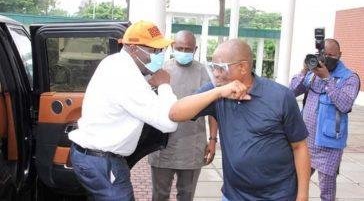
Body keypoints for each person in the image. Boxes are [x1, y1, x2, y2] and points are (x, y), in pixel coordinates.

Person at [169, 39, 311, 201]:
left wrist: (303, 195)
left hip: (279, 195)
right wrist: (217, 93)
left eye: (220, 68)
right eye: (213, 67)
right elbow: (175, 113)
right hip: (234, 195)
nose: (215, 73)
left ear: (242, 67)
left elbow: (300, 146)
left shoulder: (281, 97)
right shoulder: (218, 90)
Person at [68, 20, 178, 201]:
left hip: (92, 158)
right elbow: (168, 123)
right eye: (155, 50)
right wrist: (164, 84)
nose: (159, 56)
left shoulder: (114, 62)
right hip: (104, 163)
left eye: (161, 50)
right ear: (133, 48)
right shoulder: (126, 76)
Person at [148, 30, 218, 201]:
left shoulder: (204, 72)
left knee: (186, 195)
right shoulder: (160, 71)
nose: (184, 52)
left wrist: (213, 140)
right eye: (180, 48)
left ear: (195, 49)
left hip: (192, 148)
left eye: (188, 49)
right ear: (173, 47)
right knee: (160, 195)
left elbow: (214, 109)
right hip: (162, 147)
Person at [290, 38, 360, 201]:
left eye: (331, 55)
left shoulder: (349, 77)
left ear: (339, 55)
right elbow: (291, 91)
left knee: (326, 192)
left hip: (329, 145)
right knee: (295, 185)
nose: (325, 58)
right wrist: (303, 71)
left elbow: (344, 105)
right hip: (305, 141)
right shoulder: (312, 73)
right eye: (323, 54)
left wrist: (327, 79)